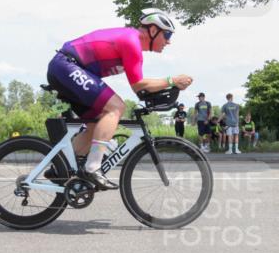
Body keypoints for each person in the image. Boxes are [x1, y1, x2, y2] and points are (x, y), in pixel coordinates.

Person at [46, 10, 192, 189]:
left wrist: (167, 89)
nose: (169, 41)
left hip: (65, 69)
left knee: (96, 126)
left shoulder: (133, 45)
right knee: (116, 107)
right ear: (153, 31)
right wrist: (172, 81)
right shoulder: (132, 41)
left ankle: (60, 167)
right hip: (66, 65)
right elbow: (139, 84)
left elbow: (141, 88)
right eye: (167, 34)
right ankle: (92, 168)